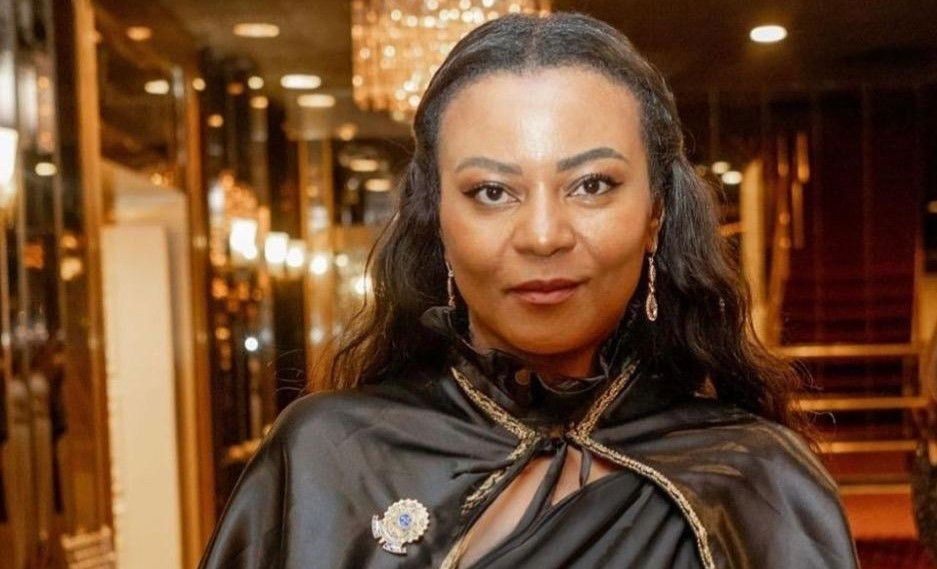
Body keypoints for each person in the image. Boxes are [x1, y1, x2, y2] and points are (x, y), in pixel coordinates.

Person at [198, 11, 858, 569]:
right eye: (492, 192)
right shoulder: (326, 458)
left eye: (591, 185)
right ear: (438, 222)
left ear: (655, 213)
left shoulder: (758, 480)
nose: (543, 235)